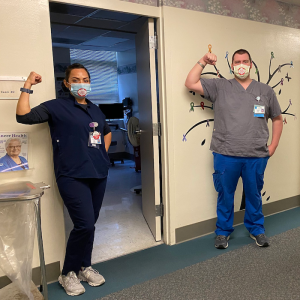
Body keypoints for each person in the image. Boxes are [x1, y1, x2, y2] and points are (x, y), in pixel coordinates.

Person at [16, 63, 112, 296]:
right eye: (76, 79)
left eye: (85, 79)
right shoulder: (56, 107)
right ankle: (67, 273)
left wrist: (102, 155)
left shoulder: (95, 109)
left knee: (90, 225)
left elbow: (106, 131)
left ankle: (84, 267)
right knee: (84, 224)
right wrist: (28, 85)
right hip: (72, 175)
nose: (82, 83)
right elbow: (23, 116)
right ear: (67, 83)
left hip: (98, 174)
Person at [185, 49, 283, 249]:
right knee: (225, 194)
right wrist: (203, 61)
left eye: (245, 61)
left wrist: (273, 146)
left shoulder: (265, 91)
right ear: (231, 66)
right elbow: (190, 82)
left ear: (251, 64)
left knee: (254, 194)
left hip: (256, 155)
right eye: (237, 61)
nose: (241, 65)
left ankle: (257, 229)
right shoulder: (220, 86)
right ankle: (223, 232)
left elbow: (277, 118)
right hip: (225, 153)